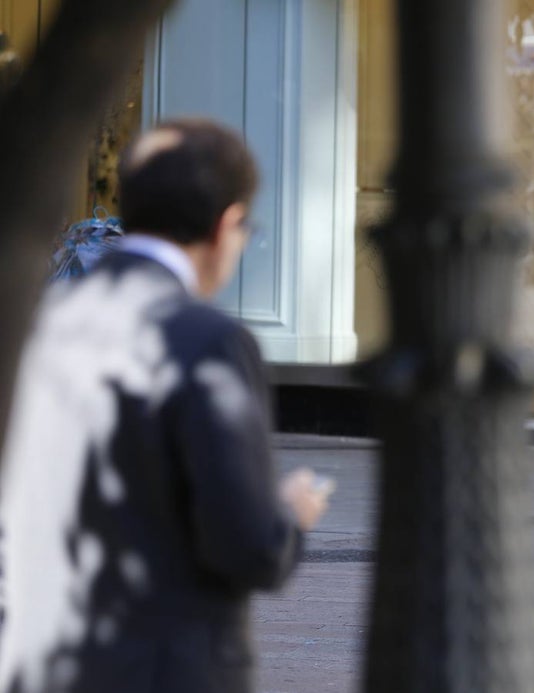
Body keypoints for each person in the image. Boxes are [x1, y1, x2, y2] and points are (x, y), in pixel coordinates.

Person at [0, 118, 331, 693]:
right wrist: (290, 517)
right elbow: (246, 545)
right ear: (225, 224)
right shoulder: (206, 340)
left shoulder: (33, 327)